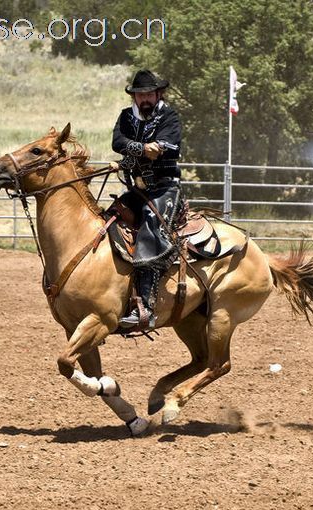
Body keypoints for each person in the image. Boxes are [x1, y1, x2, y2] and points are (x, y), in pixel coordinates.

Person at [112, 69, 183, 330]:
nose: (144, 99)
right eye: (140, 94)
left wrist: (147, 150)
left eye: (149, 94)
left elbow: (166, 146)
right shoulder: (126, 116)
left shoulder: (170, 116)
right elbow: (118, 141)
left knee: (151, 227)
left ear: (158, 94)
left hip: (165, 188)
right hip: (137, 189)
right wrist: (141, 149)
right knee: (110, 218)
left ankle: (147, 307)